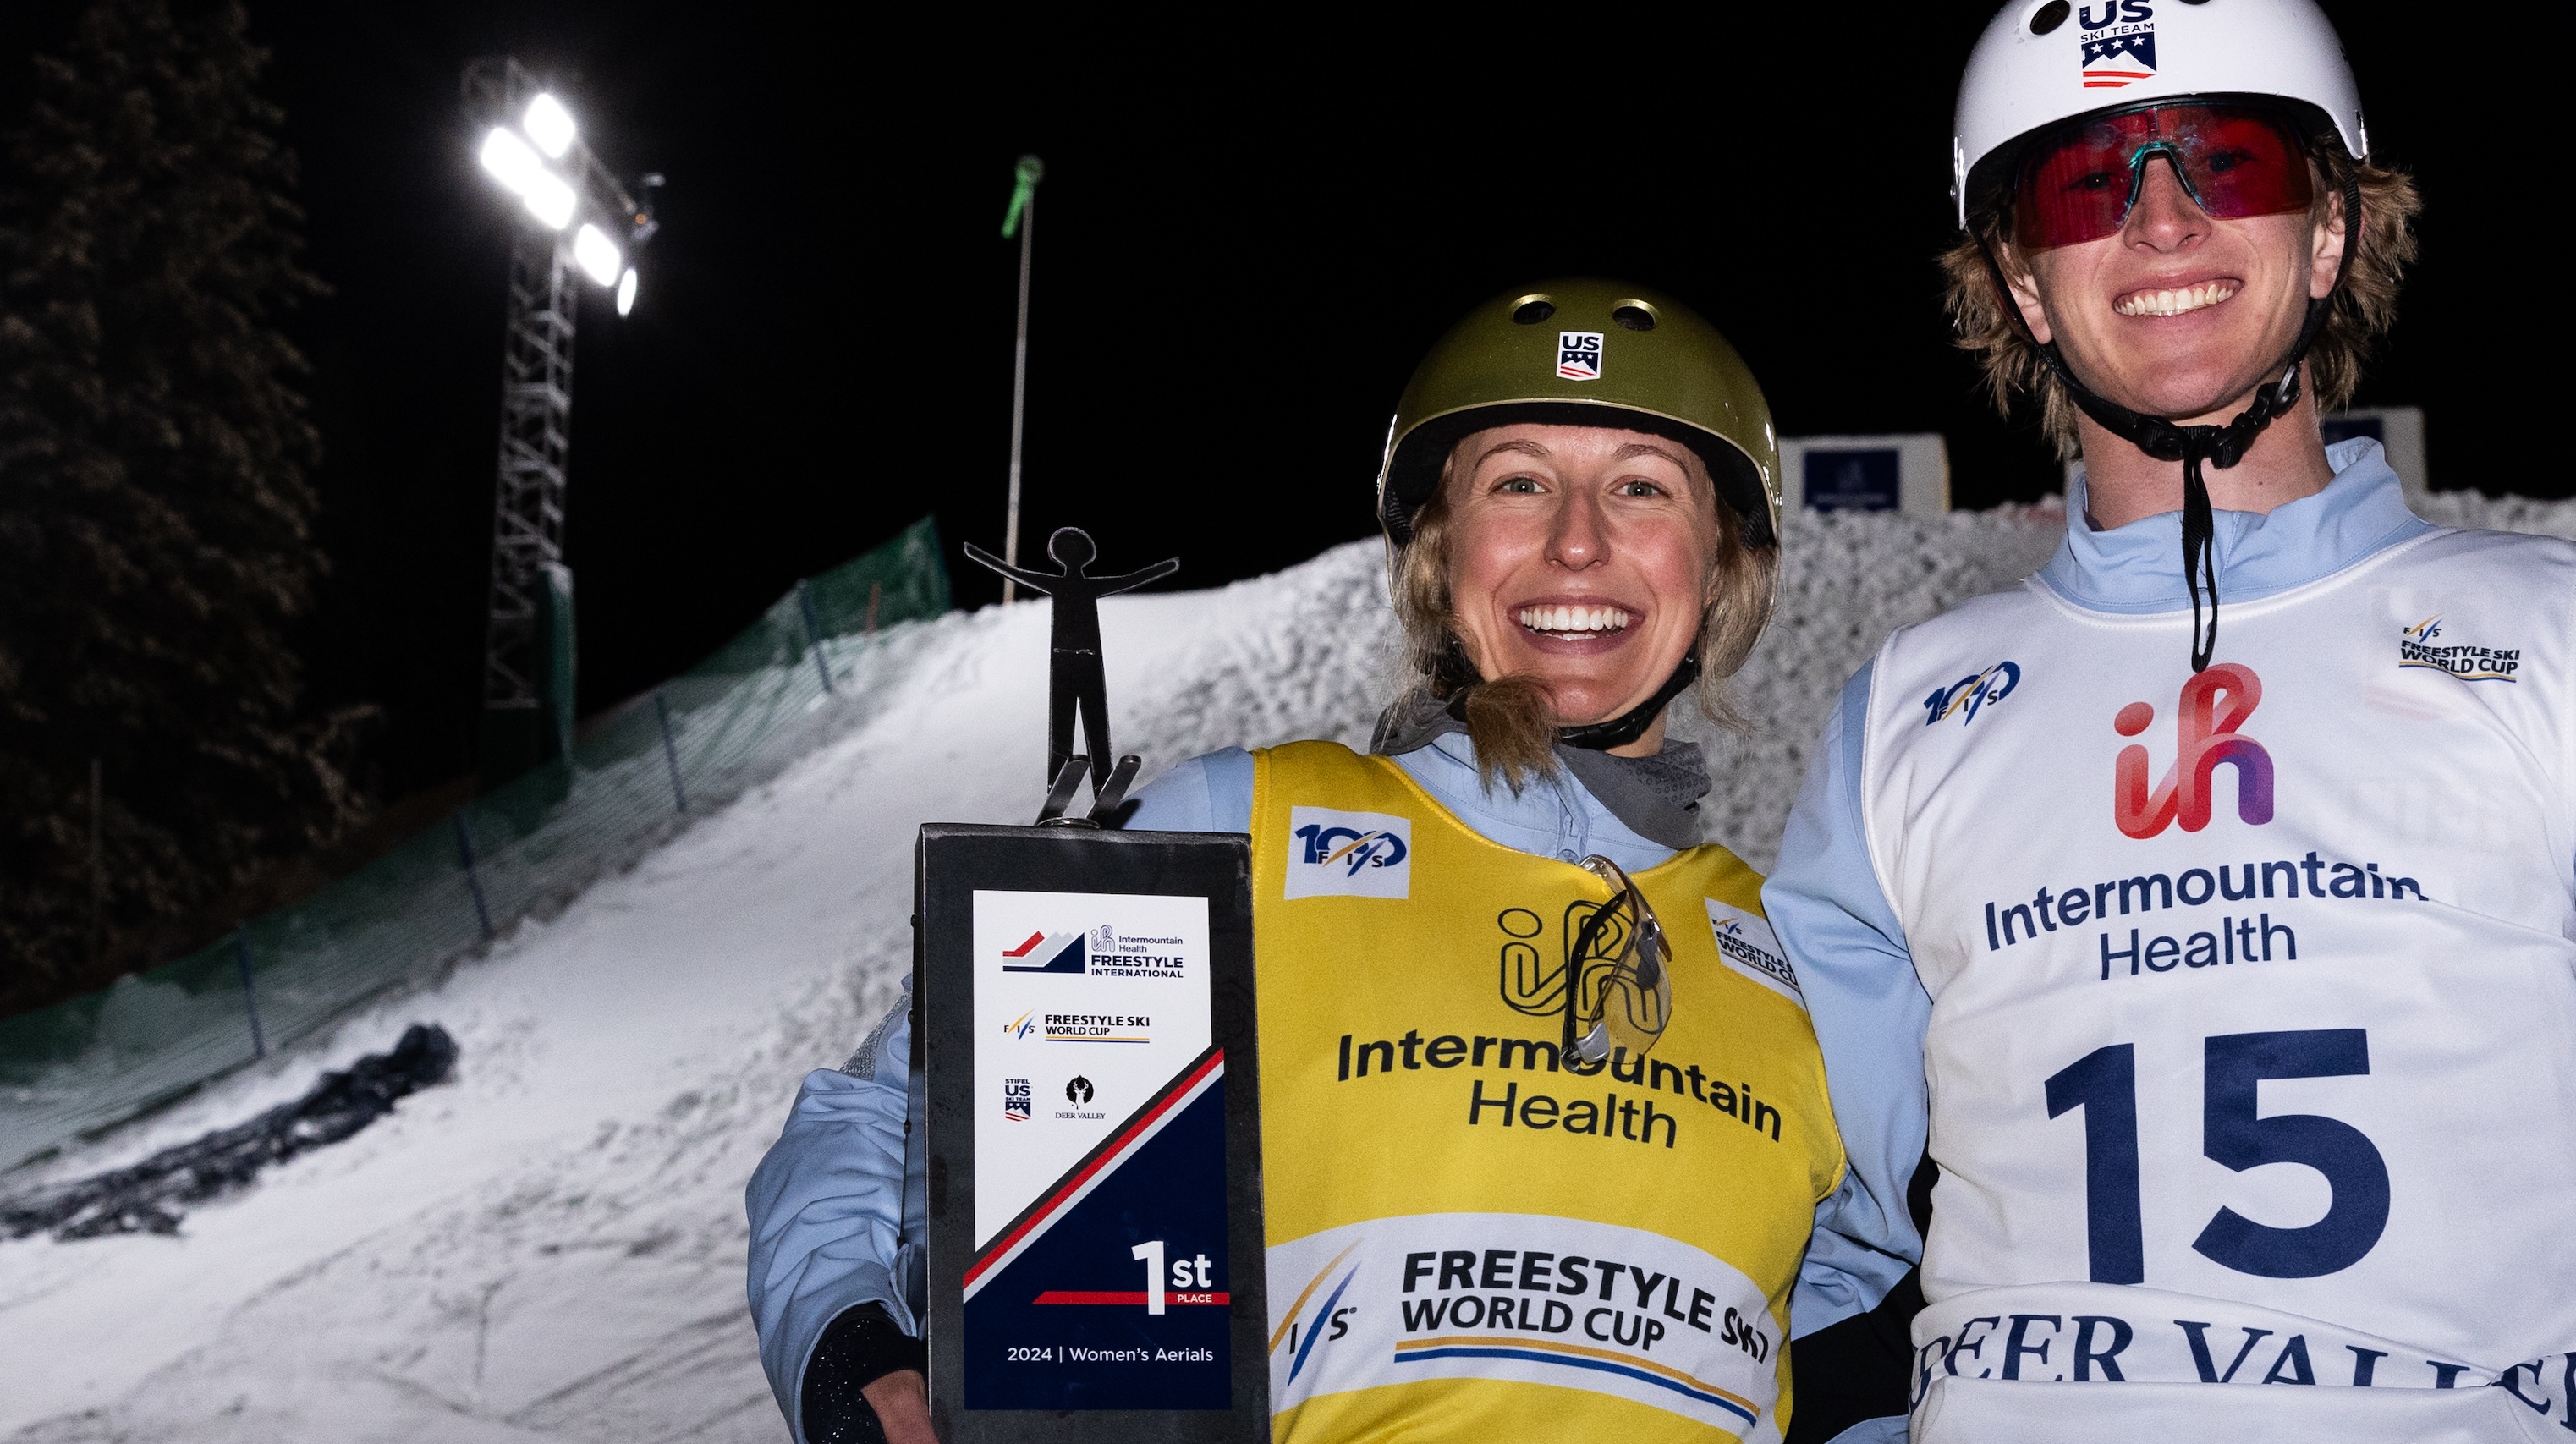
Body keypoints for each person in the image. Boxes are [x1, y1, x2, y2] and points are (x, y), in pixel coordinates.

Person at [1762, 0, 2576, 1442]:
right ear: (2025, 286)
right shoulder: (1906, 715)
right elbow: (1822, 1245)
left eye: (2225, 163)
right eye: (2085, 185)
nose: (2163, 220)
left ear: (2328, 232)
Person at [748, 282, 1902, 1441]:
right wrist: (851, 1348)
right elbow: (889, 1116)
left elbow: (1862, 1327)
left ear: (1723, 564)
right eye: (1518, 483)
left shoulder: (1804, 953)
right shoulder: (1238, 831)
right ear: (1439, 551)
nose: (1577, 541)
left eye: (1641, 487)